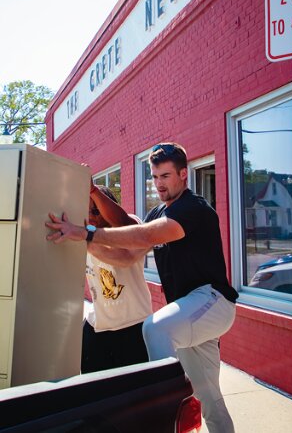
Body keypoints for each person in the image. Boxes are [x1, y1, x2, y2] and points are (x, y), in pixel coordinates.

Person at [46, 143, 238, 433]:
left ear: (183, 174)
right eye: (155, 177)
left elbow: (147, 233)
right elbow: (126, 240)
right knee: (209, 396)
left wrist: (84, 233)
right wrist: (93, 191)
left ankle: (162, 411)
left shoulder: (193, 208)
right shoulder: (158, 211)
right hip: (188, 314)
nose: (159, 184)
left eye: (166, 176)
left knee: (154, 329)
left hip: (213, 300)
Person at [81, 181, 152, 372]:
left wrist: (85, 239)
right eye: (86, 211)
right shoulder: (83, 233)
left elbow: (124, 259)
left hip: (133, 326)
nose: (90, 217)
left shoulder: (132, 227)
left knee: (133, 394)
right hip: (97, 327)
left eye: (96, 210)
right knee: (95, 393)